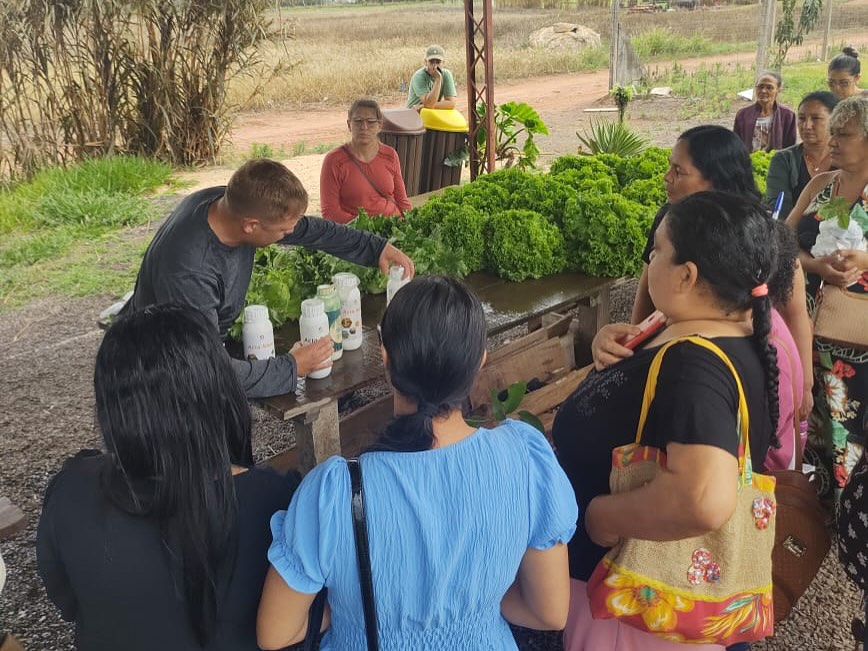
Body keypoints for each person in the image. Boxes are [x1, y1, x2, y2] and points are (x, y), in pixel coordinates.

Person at [257, 275, 578, 650]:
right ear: (480, 360)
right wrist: (477, 606)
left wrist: (351, 611)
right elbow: (549, 613)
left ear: (387, 360)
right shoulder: (526, 460)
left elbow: (276, 633)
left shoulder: (335, 492)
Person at [553, 192, 779, 651]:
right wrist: (610, 345)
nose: (650, 260)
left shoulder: (696, 365)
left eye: (657, 250)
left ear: (687, 275)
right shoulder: (722, 327)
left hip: (635, 603)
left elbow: (702, 498)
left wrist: (601, 517)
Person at [36, 304, 302, 651]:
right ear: (220, 392)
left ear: (111, 409)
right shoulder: (278, 504)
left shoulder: (71, 490)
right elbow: (311, 617)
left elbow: (68, 602)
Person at [121, 158, 414, 399]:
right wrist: (292, 366)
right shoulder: (190, 271)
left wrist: (376, 248)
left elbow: (311, 230)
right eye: (283, 232)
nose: (290, 234)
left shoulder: (230, 205)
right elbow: (205, 371)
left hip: (197, 337)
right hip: (156, 369)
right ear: (251, 226)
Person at [621, 125, 813, 422]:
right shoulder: (669, 223)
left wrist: (805, 384)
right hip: (673, 364)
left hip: (741, 377)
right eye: (669, 167)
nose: (667, 177)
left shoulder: (758, 233)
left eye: (678, 171)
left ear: (715, 179)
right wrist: (633, 352)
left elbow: (795, 311)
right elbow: (646, 293)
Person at [785, 95, 868, 492]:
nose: (832, 141)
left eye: (844, 135)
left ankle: (850, 510)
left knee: (853, 435)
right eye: (832, 132)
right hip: (806, 332)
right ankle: (818, 507)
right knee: (814, 429)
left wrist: (863, 261)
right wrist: (815, 265)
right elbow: (782, 240)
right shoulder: (822, 185)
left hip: (857, 344)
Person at [320, 99, 411, 224]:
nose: (364, 127)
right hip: (356, 231)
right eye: (358, 121)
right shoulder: (334, 160)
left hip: (393, 225)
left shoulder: (390, 155)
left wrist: (409, 223)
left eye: (371, 122)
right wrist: (366, 229)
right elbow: (330, 213)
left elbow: (402, 201)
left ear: (380, 125)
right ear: (349, 125)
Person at [765, 91, 838, 219]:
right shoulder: (783, 159)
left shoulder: (847, 160)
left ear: (834, 121)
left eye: (816, 118)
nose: (807, 126)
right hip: (791, 228)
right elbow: (780, 209)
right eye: (802, 118)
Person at [733, 71, 797, 152]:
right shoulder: (743, 115)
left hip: (777, 159)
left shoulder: (788, 116)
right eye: (760, 86)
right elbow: (736, 145)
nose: (763, 90)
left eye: (769, 87)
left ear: (778, 90)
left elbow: (791, 148)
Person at [405, 44, 458, 111]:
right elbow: (429, 104)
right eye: (431, 62)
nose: (435, 66)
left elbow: (451, 103)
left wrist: (423, 106)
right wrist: (438, 79)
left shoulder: (446, 74)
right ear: (425, 62)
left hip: (428, 111)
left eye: (438, 62)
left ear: (443, 63)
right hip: (413, 113)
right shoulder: (419, 76)